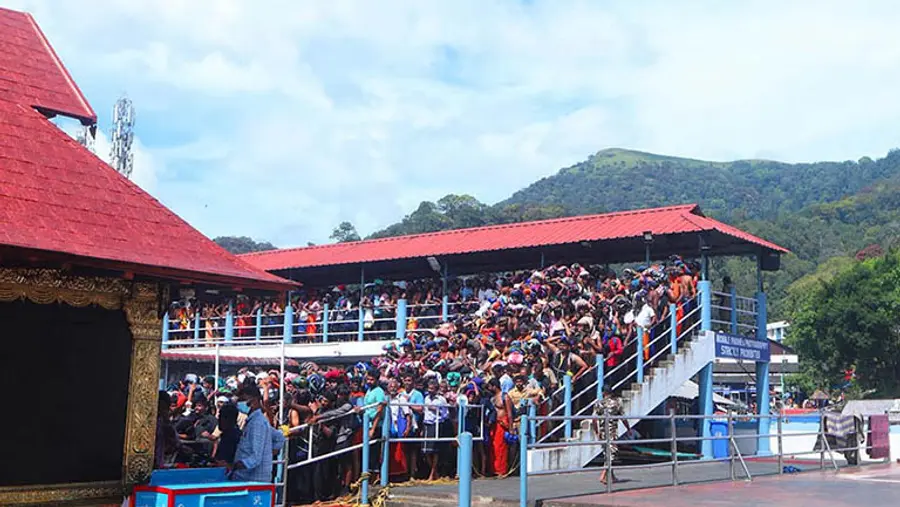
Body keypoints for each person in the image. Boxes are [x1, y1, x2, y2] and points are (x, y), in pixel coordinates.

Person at [230, 384, 285, 483]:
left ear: (254, 401)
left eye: (243, 400)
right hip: (248, 478)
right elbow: (279, 437)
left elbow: (256, 458)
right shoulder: (254, 420)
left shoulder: (257, 423)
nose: (240, 404)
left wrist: (235, 466)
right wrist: (268, 452)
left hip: (252, 479)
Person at [421, 379, 448, 480]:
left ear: (436, 389)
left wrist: (436, 410)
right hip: (426, 424)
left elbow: (445, 414)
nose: (430, 390)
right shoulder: (426, 398)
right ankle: (434, 472)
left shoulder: (441, 399)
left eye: (432, 389)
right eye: (429, 388)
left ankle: (432, 473)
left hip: (436, 424)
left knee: (435, 450)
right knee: (426, 451)